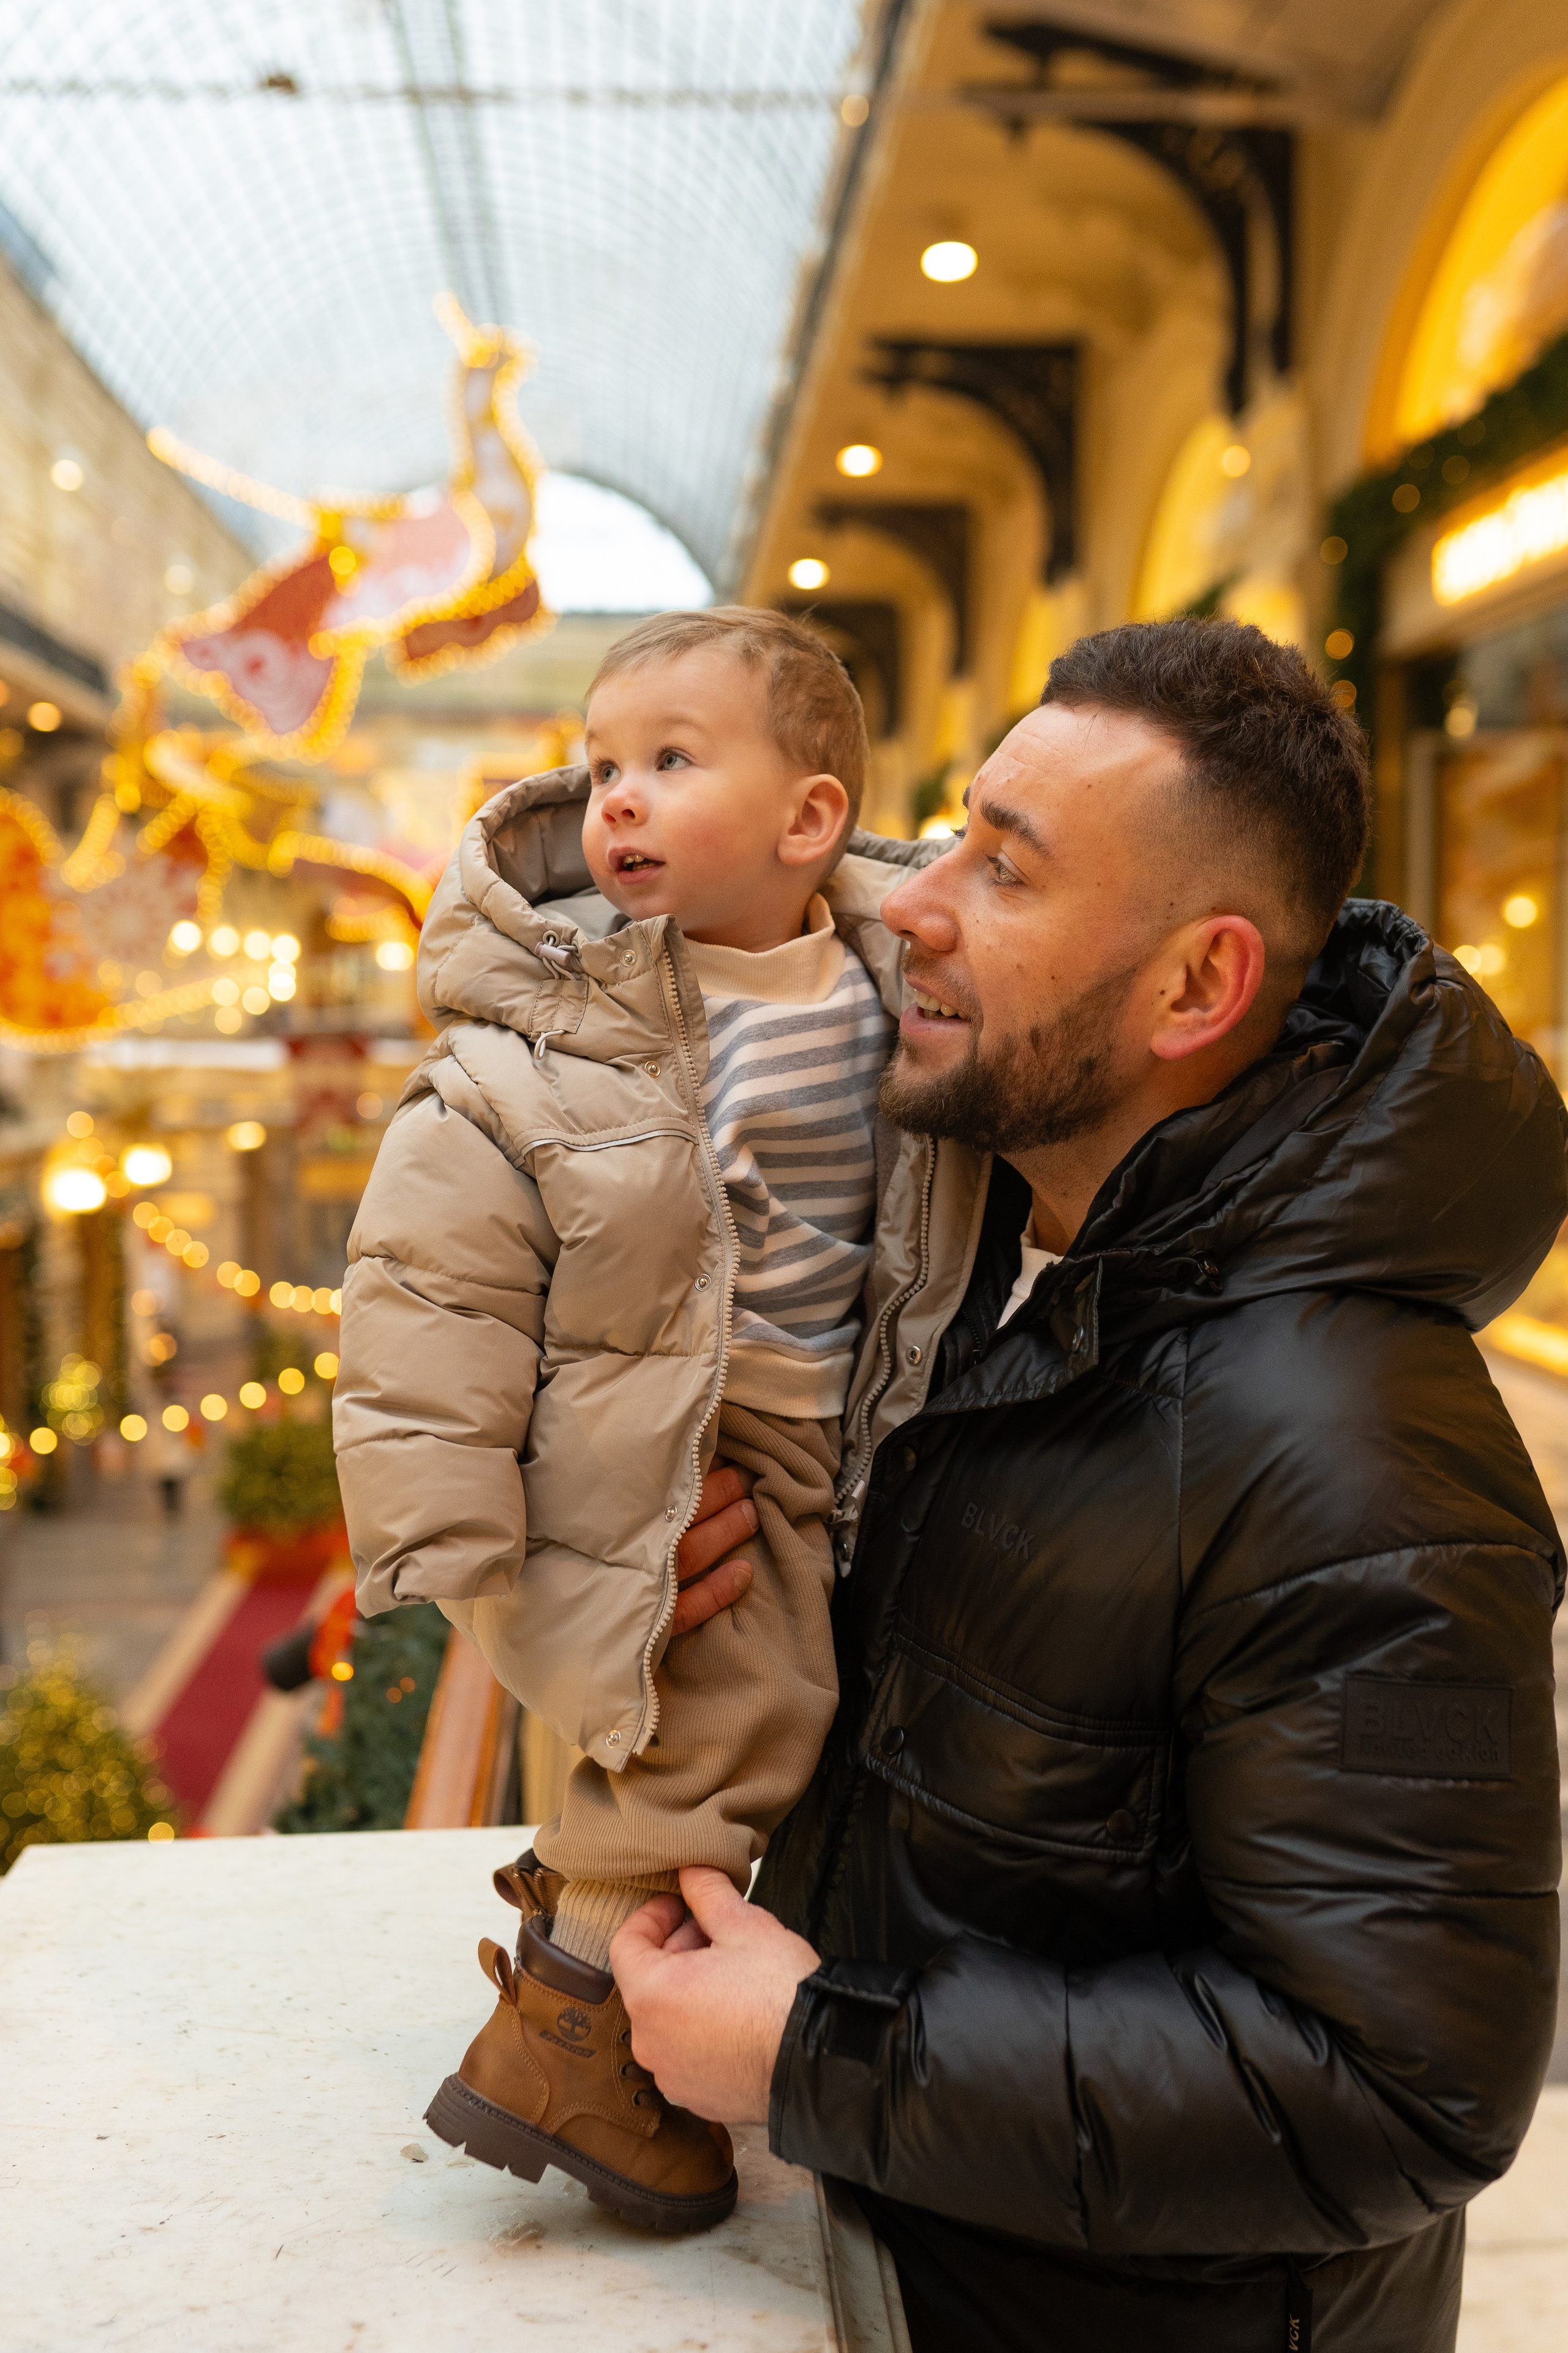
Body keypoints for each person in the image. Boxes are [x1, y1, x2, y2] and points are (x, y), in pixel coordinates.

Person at [612, 618, 1567, 2350]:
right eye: (957, 827)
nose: (915, 900)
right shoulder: (980, 1259)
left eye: (1006, 869)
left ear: (1195, 988)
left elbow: (1398, 2092)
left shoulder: (1358, 1454)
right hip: (896, 2263)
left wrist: (820, 2046)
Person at [334, 607, 929, 2233]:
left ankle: (639, 2032)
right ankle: (572, 2038)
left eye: (672, 760)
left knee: (781, 1721)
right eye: (604, 765)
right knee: (717, 1725)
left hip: (831, 1433)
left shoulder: (898, 979)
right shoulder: (562, 1020)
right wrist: (459, 1532)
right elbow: (432, 1274)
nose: (619, 798)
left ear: (812, 821)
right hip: (676, 1437)